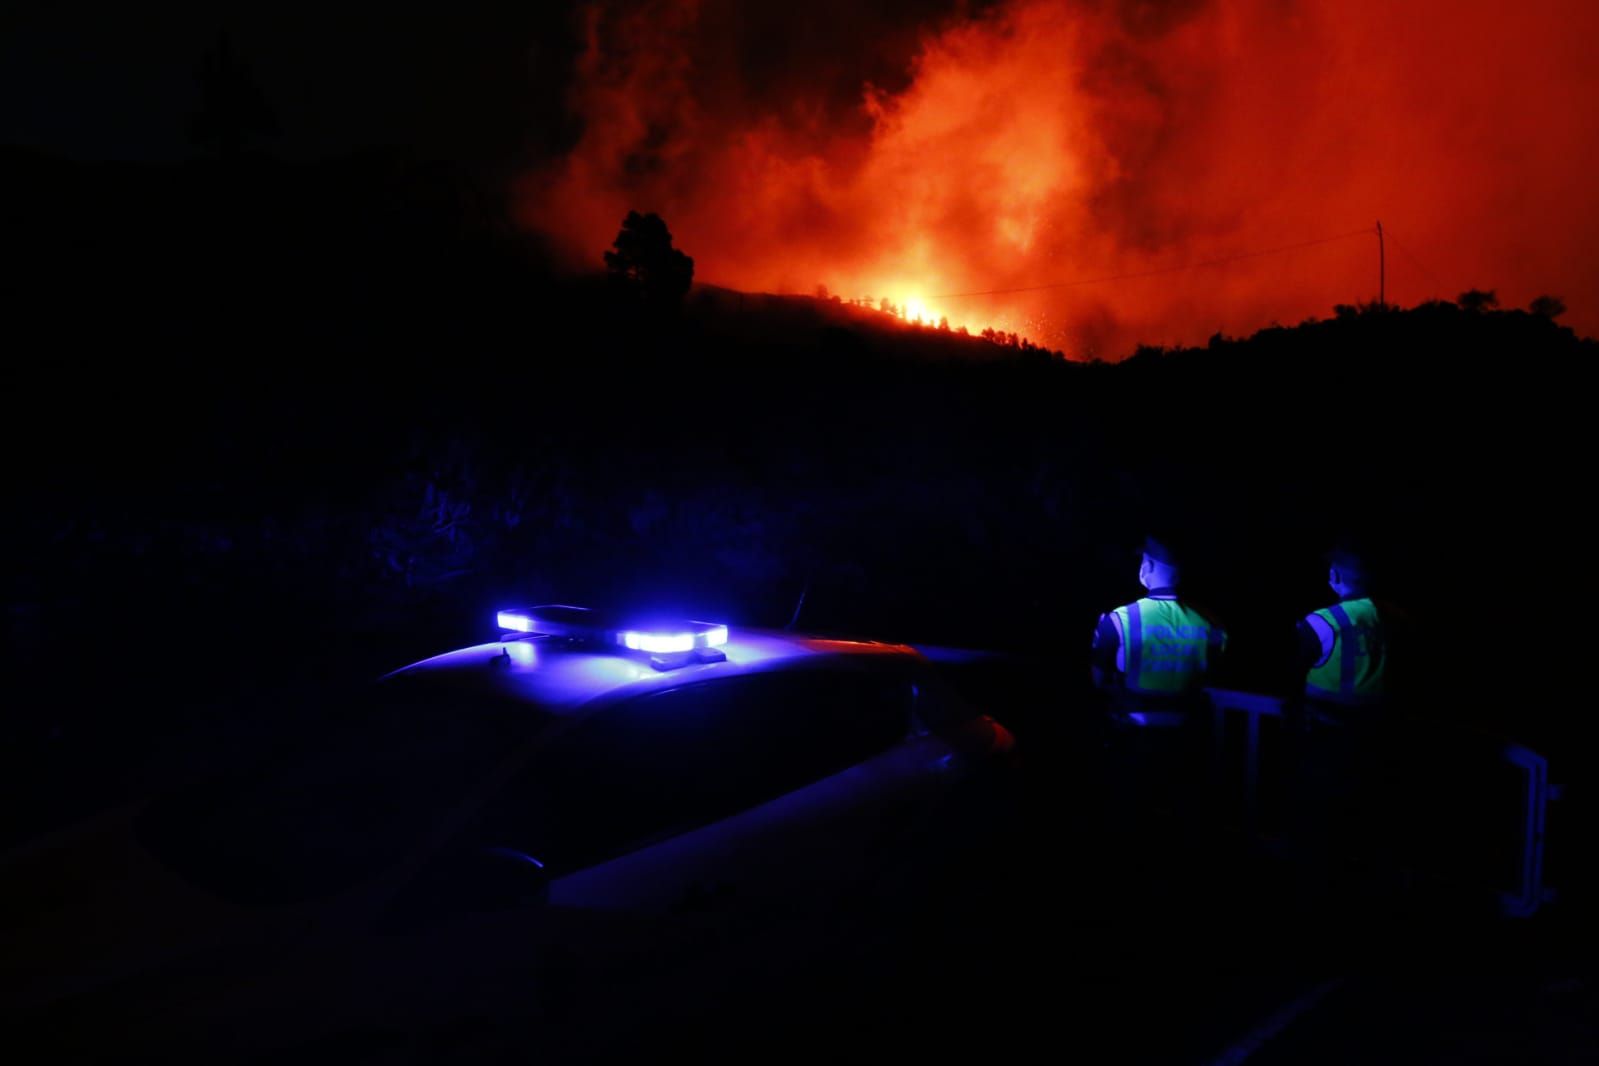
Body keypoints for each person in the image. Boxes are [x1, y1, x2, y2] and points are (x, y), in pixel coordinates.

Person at [1088, 535, 1228, 859]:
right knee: (1183, 828)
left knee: (1127, 824)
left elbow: (1097, 679)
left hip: (1133, 739)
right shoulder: (1211, 623)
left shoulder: (1119, 619)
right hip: (1188, 739)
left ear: (1147, 566)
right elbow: (1213, 673)